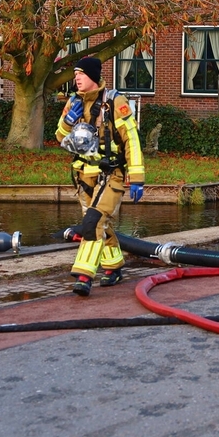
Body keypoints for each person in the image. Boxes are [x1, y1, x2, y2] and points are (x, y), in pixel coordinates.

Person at [56, 57, 145, 296]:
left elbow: (132, 139)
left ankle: (84, 275)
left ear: (93, 77)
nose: (76, 78)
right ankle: (114, 266)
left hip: (110, 174)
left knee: (92, 222)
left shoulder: (115, 102)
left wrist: (136, 177)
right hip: (83, 174)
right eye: (75, 74)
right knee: (98, 225)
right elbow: (60, 137)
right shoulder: (73, 101)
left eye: (81, 74)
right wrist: (68, 121)